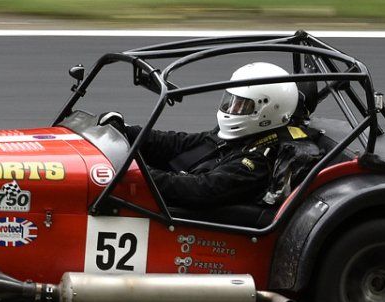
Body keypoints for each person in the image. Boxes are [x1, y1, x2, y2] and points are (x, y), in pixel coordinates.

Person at [128, 61, 308, 213]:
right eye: (232, 101)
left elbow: (201, 189)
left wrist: (135, 176)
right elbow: (180, 143)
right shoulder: (240, 137)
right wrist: (128, 132)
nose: (232, 109)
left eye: (242, 105)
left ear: (267, 112)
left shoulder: (258, 161)